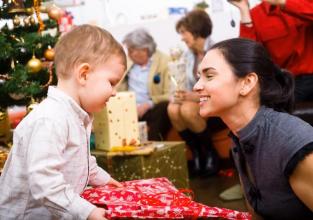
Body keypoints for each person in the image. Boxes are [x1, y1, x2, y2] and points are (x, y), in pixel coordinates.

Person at [0, 25, 125, 220]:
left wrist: (105, 180)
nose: (114, 92)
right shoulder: (50, 119)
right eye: (112, 82)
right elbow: (44, 180)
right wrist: (88, 211)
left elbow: (82, 161)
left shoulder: (77, 115)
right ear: (84, 74)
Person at [194, 37, 313, 219]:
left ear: (247, 83)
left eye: (209, 76)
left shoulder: (293, 145)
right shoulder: (239, 139)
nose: (196, 86)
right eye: (198, 77)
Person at [167, 9, 225, 177]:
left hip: (215, 99)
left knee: (186, 110)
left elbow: (220, 87)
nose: (182, 37)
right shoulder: (188, 55)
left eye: (184, 32)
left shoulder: (217, 52)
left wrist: (193, 96)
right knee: (172, 108)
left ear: (196, 31)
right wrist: (178, 94)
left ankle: (210, 154)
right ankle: (198, 154)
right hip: (198, 99)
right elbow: (183, 83)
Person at [228, 0, 313, 102]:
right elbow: (249, 54)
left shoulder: (306, 3)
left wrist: (281, 2)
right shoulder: (256, 15)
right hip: (289, 82)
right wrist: (244, 10)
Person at [119, 28, 171, 141]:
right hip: (130, 108)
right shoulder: (127, 63)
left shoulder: (165, 61)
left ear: (144, 50)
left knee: (163, 107)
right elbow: (118, 86)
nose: (129, 54)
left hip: (153, 108)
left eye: (131, 50)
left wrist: (148, 104)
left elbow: (170, 94)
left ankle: (155, 144)